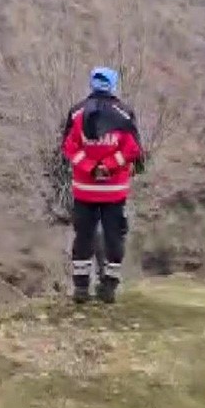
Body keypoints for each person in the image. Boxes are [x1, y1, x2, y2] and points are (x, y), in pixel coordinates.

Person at [61, 67, 144, 304]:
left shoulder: (77, 113)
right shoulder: (124, 114)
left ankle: (80, 288)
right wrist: (108, 166)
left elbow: (69, 147)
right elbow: (132, 150)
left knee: (83, 237)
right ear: (114, 85)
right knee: (113, 237)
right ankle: (108, 287)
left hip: (84, 190)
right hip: (114, 191)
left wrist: (90, 167)